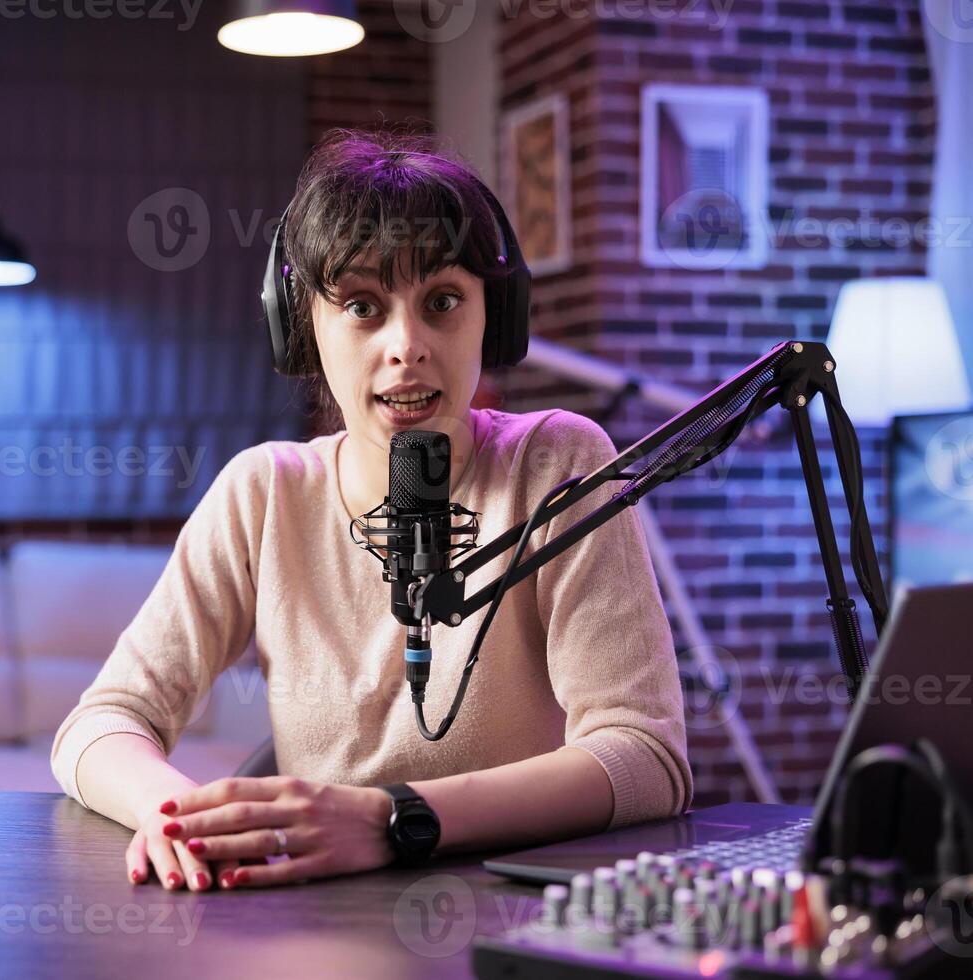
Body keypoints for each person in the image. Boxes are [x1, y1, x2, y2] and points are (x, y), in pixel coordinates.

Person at [51, 130, 690, 892]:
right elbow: (102, 722)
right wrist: (186, 818)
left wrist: (394, 821)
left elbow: (645, 757)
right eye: (361, 305)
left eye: (443, 301)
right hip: (317, 925)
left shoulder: (558, 465)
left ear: (498, 313)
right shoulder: (264, 494)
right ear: (301, 326)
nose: (407, 345)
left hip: (516, 918)